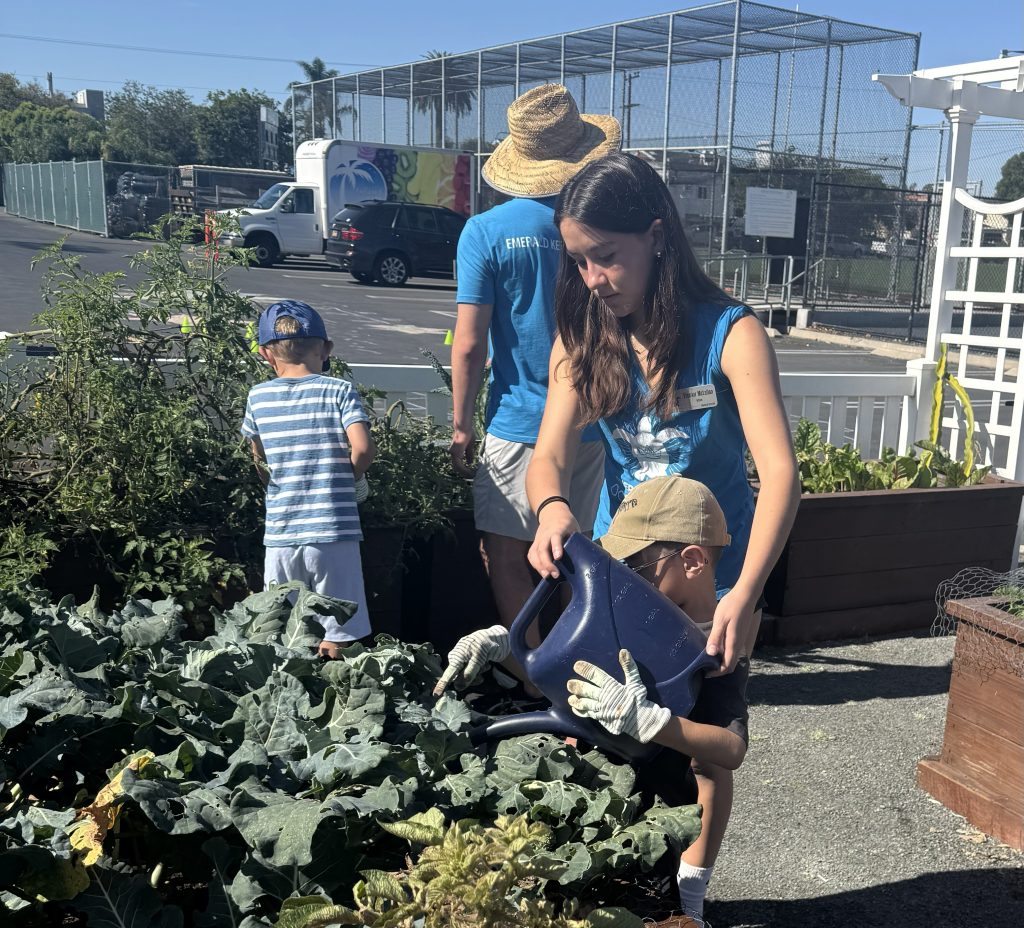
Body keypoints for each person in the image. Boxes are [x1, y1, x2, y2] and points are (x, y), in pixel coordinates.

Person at [526, 151, 801, 676]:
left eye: (605, 255)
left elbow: (781, 475)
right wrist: (552, 509)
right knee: (621, 737)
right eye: (578, 260)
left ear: (656, 237)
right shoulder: (582, 339)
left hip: (717, 581)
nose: (592, 279)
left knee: (710, 746)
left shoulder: (732, 333)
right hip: (622, 572)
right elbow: (549, 458)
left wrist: (747, 592)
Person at [436, 476, 750, 926]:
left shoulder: (716, 648)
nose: (623, 581)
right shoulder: (627, 624)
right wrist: (504, 648)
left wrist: (648, 722)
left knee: (645, 910)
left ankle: (690, 902)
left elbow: (730, 750)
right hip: (586, 805)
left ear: (693, 560)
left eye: (636, 569)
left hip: (655, 828)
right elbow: (564, 678)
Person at [449, 83, 620, 654]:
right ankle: (578, 668)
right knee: (580, 553)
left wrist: (461, 424)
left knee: (505, 551)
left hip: (519, 420)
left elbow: (470, 344)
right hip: (595, 419)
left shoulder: (487, 231)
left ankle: (533, 672)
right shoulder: (599, 224)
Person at [241, 300, 375, 657]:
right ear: (326, 348)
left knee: (284, 626)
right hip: (334, 529)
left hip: (282, 533)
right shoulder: (339, 391)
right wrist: (351, 476)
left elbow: (260, 461)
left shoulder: (258, 396)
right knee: (338, 627)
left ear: (264, 354)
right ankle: (334, 690)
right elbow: (362, 449)